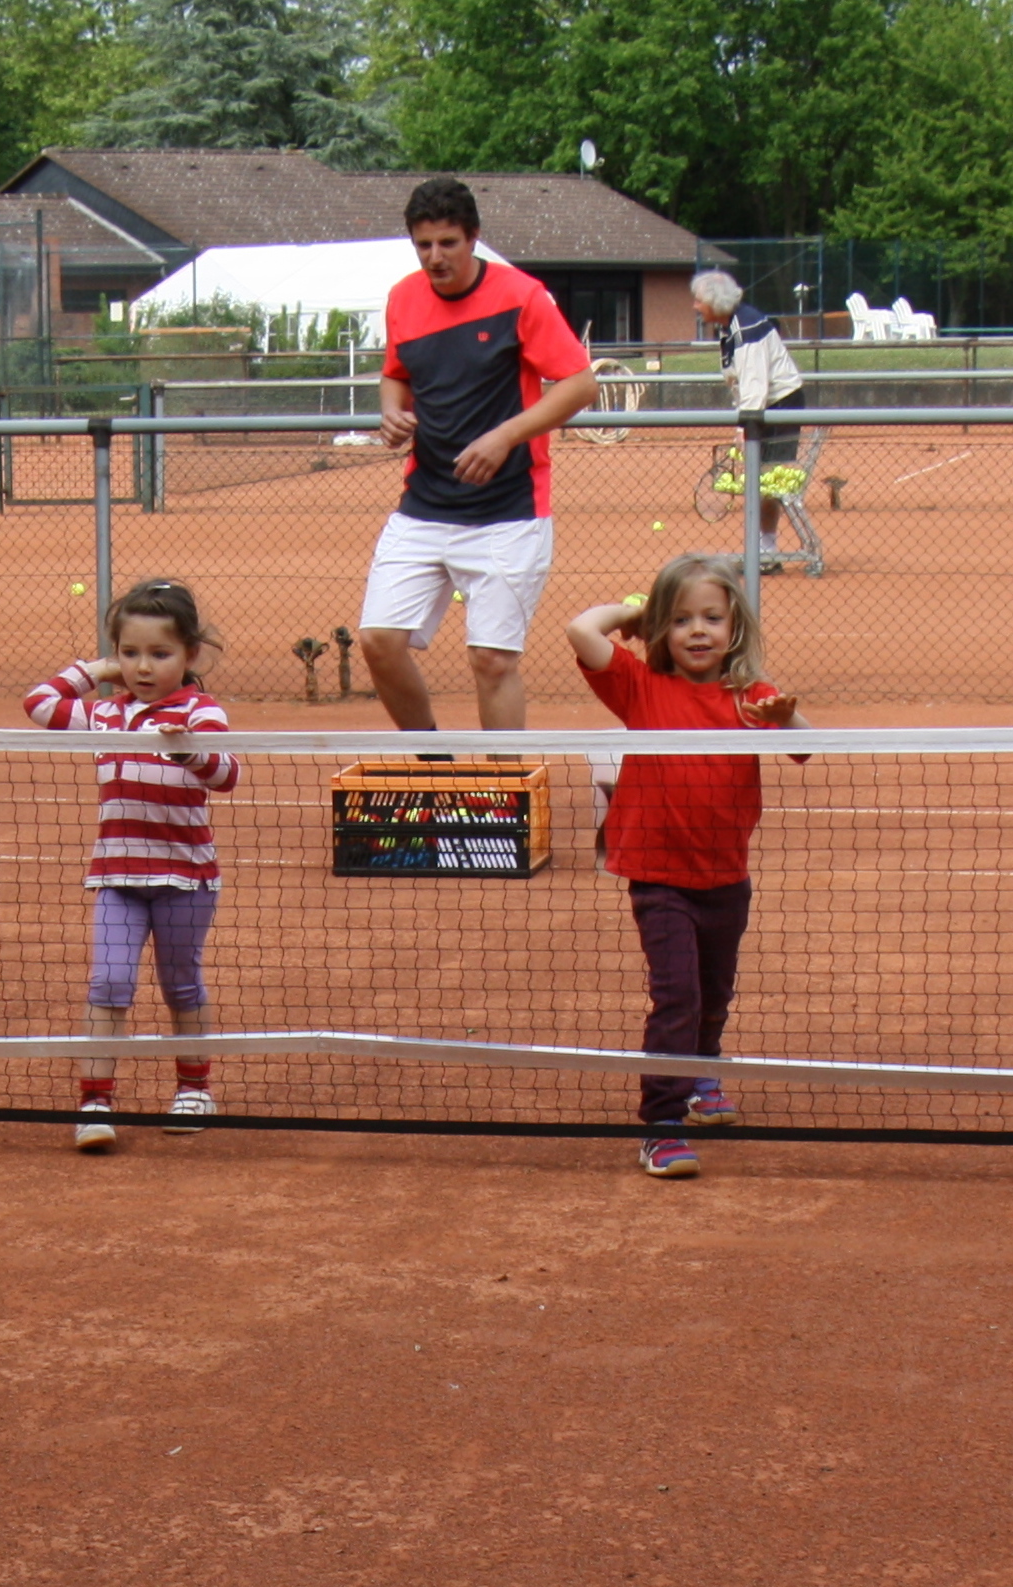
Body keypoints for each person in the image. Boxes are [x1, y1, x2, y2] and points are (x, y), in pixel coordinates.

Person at [567, 553, 812, 1180]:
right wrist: (639, 613)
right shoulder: (640, 688)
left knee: (712, 998)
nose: (696, 630)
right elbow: (581, 630)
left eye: (710, 616)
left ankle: (704, 1076)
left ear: (734, 626)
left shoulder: (751, 697)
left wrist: (786, 720)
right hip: (659, 875)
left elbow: (806, 745)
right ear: (659, 631)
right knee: (677, 995)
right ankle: (662, 1123)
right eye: (679, 619)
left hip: (727, 875)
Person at [357, 177, 602, 737]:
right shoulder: (402, 298)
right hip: (423, 506)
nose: (435, 257)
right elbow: (395, 375)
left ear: (473, 239)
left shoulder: (522, 296)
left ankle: (502, 799)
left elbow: (579, 384)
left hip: (510, 510)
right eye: (423, 245)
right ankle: (433, 761)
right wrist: (391, 412)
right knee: (378, 640)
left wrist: (503, 437)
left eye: (447, 243)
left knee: (492, 660)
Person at [23, 577, 240, 1152]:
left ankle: (195, 1088)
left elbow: (227, 774)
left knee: (181, 984)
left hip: (186, 880)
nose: (144, 666)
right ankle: (95, 1100)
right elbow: (38, 703)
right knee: (109, 982)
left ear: (190, 655)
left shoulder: (201, 709)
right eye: (131, 653)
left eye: (160, 653)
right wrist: (96, 670)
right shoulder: (103, 716)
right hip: (117, 878)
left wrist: (188, 749)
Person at [689, 269, 805, 562]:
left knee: (769, 480)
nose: (695, 307)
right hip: (770, 404)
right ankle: (764, 547)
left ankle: (766, 550)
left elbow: (755, 384)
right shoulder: (732, 326)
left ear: (716, 303)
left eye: (699, 300)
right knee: (765, 480)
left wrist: (745, 428)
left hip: (779, 405)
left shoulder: (745, 327)